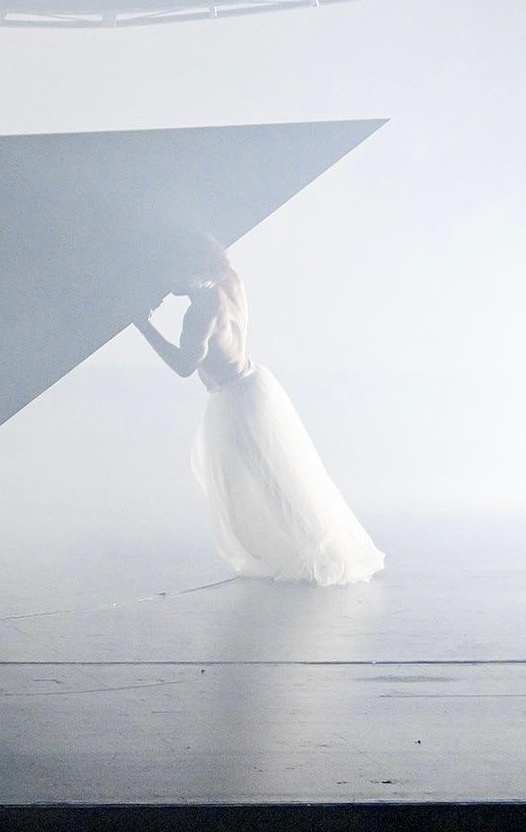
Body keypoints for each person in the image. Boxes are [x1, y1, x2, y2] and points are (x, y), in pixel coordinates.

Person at [134, 237, 382, 586]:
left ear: (193, 271)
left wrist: (142, 324)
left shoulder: (201, 311)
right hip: (255, 385)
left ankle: (312, 550)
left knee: (264, 484)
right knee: (281, 476)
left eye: (175, 271)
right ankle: (312, 545)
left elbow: (184, 366)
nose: (169, 279)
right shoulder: (230, 279)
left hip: (234, 400)